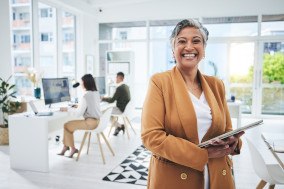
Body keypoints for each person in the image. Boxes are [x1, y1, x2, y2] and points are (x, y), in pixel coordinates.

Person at [141, 19, 244, 189]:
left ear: (203, 50)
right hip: (175, 177)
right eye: (182, 41)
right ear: (173, 50)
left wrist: (233, 142)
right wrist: (203, 154)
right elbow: (151, 137)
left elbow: (227, 129)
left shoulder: (216, 85)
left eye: (196, 41)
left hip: (217, 175)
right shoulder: (160, 82)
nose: (189, 47)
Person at [58, 74, 101, 158]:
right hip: (97, 122)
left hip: (90, 123)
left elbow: (78, 114)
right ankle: (66, 147)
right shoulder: (96, 93)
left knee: (67, 125)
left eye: (82, 82)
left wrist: (67, 109)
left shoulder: (86, 95)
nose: (81, 84)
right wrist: (80, 106)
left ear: (85, 83)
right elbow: (90, 105)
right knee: (69, 127)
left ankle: (71, 148)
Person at [101, 72, 131, 136]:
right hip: (124, 109)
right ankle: (119, 126)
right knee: (109, 112)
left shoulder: (119, 88)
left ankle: (119, 126)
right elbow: (114, 98)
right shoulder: (126, 86)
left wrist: (103, 98)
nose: (115, 79)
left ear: (120, 78)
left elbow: (112, 100)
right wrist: (107, 98)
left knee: (105, 112)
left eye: (116, 77)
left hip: (120, 109)